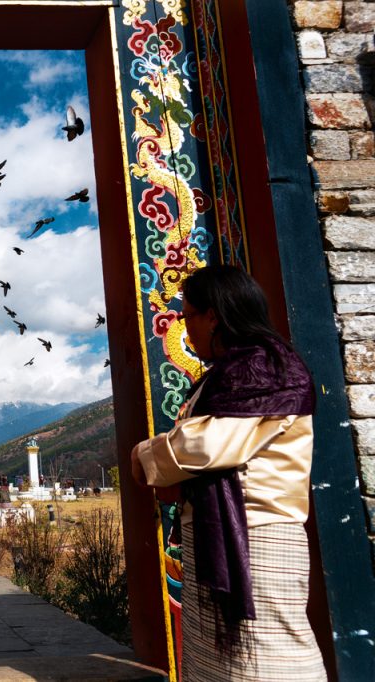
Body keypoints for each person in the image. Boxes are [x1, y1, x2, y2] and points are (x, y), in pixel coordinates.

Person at [131, 265, 325, 681]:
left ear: (213, 316)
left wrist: (144, 456)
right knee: (220, 661)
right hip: (219, 532)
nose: (185, 330)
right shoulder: (229, 372)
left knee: (270, 653)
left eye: (187, 317)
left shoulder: (266, 369)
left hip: (258, 535)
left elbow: (203, 445)